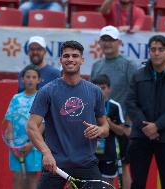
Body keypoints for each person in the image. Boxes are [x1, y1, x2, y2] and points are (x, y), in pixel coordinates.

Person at [27, 40, 109, 189]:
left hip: (87, 164)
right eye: (66, 56)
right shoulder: (47, 91)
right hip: (55, 164)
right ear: (61, 60)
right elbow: (32, 126)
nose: (70, 59)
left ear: (82, 60)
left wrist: (100, 130)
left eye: (75, 56)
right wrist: (46, 153)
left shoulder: (95, 91)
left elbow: (105, 126)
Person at [126, 35, 165, 189]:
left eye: (161, 49)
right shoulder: (138, 75)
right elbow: (130, 103)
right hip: (141, 136)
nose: (156, 53)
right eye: (153, 49)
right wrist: (145, 127)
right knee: (138, 182)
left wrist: (157, 126)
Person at [90, 25, 137, 189]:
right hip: (99, 126)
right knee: (97, 169)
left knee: (123, 166)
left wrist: (128, 124)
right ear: (100, 43)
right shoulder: (96, 66)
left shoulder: (129, 65)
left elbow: (135, 95)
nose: (107, 43)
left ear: (119, 42)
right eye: (104, 40)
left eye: (111, 40)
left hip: (120, 126)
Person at [5, 65, 43, 189]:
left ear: (39, 80)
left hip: (33, 147)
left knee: (32, 179)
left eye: (34, 77)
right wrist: (12, 145)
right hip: (16, 148)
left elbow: (43, 125)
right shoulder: (16, 99)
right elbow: (9, 123)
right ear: (22, 79)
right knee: (17, 178)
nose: (30, 80)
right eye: (28, 77)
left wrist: (32, 144)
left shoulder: (41, 98)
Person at [91, 74, 125, 186]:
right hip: (90, 152)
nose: (100, 90)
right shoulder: (87, 105)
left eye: (103, 87)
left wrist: (109, 123)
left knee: (108, 184)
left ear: (109, 89)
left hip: (109, 152)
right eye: (97, 87)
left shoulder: (115, 106)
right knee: (89, 183)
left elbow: (121, 131)